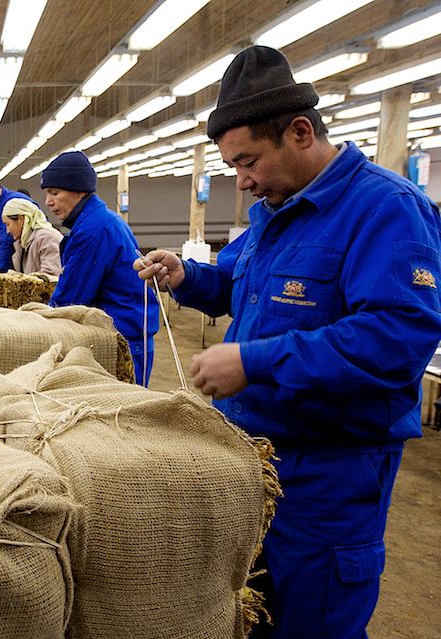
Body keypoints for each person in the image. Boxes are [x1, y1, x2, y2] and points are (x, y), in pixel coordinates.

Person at [134, 46, 441, 638]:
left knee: (313, 617)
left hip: (329, 470)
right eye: (233, 168)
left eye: (248, 161)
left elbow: (398, 335)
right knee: (257, 611)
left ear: (300, 132)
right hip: (253, 459)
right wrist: (188, 276)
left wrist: (255, 361)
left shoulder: (385, 208)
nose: (243, 181)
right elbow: (241, 286)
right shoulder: (275, 211)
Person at [42, 150, 158, 385]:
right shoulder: (100, 220)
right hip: (128, 329)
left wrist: (42, 321)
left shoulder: (93, 230)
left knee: (121, 413)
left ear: (78, 190)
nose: (48, 202)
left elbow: (70, 301)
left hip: (123, 338)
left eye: (54, 193)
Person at [0, 197, 62, 276]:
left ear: (21, 219)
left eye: (8, 224)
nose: (7, 231)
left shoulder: (46, 238)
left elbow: (51, 277)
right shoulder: (22, 243)